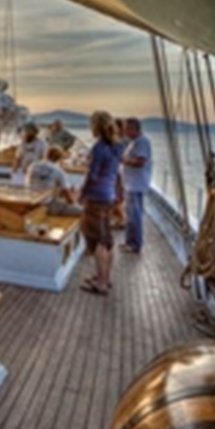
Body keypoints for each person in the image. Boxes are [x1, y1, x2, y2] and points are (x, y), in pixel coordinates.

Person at [79, 111, 124, 295]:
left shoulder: (98, 148)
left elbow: (93, 176)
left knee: (97, 240)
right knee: (107, 240)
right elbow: (116, 172)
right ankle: (104, 277)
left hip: (96, 197)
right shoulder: (117, 146)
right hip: (109, 196)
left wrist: (82, 194)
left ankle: (101, 284)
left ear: (96, 127)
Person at [121, 117, 152, 254]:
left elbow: (140, 162)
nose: (124, 131)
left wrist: (123, 160)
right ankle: (129, 242)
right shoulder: (134, 142)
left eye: (126, 128)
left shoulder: (142, 142)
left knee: (134, 216)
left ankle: (135, 244)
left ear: (134, 129)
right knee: (130, 214)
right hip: (131, 184)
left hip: (135, 185)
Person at [27, 146, 81, 215]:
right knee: (82, 211)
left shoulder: (33, 166)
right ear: (59, 158)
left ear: (46, 154)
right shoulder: (58, 170)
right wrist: (74, 204)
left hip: (30, 202)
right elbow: (68, 196)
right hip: (47, 204)